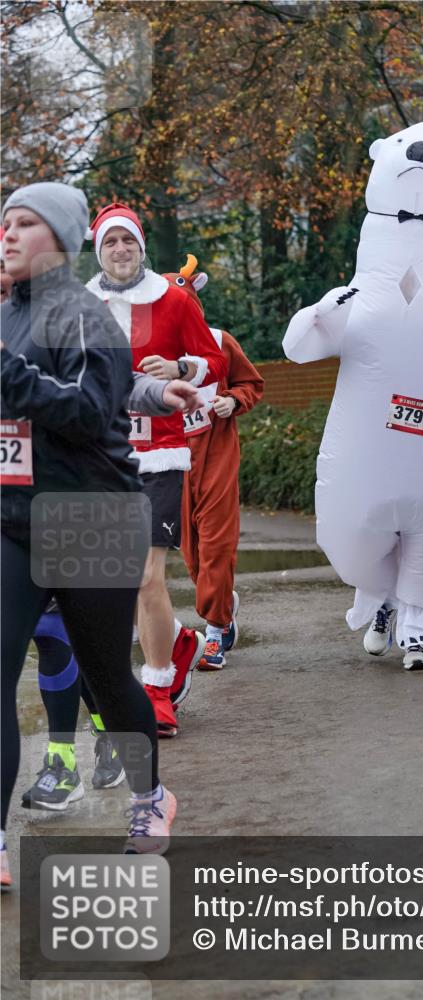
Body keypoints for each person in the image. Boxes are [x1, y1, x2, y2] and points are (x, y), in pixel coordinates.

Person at [1, 183, 199, 887]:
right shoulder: (7, 316)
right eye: (4, 223)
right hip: (15, 521)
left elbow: (87, 412)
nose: (9, 233)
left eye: (25, 223)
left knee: (107, 681)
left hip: (91, 517)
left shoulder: (81, 313)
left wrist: (5, 373)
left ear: (58, 236)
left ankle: (150, 798)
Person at [85, 204, 227, 735]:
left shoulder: (172, 299)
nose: (120, 249)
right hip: (98, 457)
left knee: (146, 577)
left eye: (128, 241)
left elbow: (213, 361)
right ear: (99, 250)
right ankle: (179, 642)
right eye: (110, 242)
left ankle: (159, 684)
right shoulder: (81, 305)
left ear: (142, 246)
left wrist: (181, 366)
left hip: (159, 456)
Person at [163, 255, 264, 669]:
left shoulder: (219, 341)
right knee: (192, 553)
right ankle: (223, 605)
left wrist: (232, 401)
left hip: (217, 451)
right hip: (173, 457)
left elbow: (251, 383)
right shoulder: (151, 352)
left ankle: (216, 630)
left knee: (217, 544)